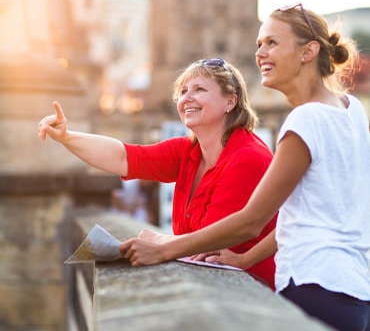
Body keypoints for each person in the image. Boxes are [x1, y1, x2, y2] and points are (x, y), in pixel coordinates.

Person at [119, 3, 370, 331]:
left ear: (309, 51)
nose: (260, 52)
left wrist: (164, 248)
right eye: (258, 44)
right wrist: (245, 260)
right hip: (353, 293)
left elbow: (252, 221)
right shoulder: (351, 109)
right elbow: (307, 215)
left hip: (313, 286)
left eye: (272, 43)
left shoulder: (305, 119)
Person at [38, 58, 276, 289]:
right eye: (183, 92)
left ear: (230, 102)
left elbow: (207, 244)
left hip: (257, 293)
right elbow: (123, 157)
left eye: (200, 89)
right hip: (212, 284)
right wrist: (67, 137)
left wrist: (158, 241)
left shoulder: (247, 157)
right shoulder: (187, 150)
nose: (187, 98)